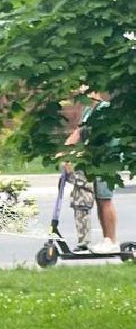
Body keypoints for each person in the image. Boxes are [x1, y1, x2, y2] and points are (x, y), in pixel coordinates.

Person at [64, 90, 120, 253]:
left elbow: (99, 138)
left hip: (106, 161)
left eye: (82, 88)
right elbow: (78, 133)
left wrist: (79, 153)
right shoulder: (89, 111)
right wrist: (65, 152)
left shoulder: (104, 110)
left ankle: (111, 240)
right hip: (94, 162)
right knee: (99, 200)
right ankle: (106, 240)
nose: (78, 92)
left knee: (105, 199)